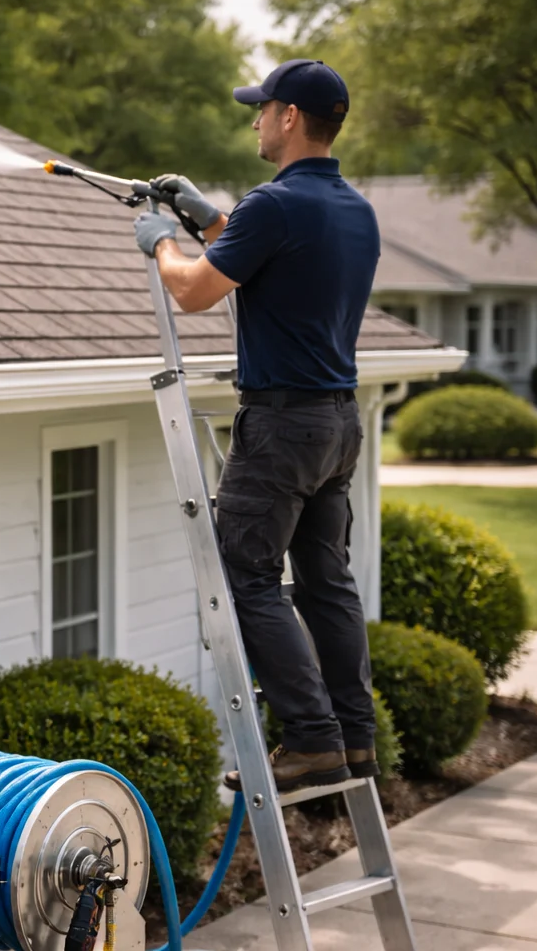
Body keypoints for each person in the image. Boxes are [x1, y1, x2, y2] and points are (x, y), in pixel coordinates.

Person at [131, 59, 381, 792]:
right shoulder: (354, 210)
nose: (254, 120)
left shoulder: (273, 205)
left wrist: (161, 243)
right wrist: (208, 219)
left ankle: (309, 740)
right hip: (337, 425)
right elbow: (280, 257)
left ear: (291, 117)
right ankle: (355, 741)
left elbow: (196, 293)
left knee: (246, 576)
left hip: (280, 429)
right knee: (327, 584)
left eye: (262, 109)